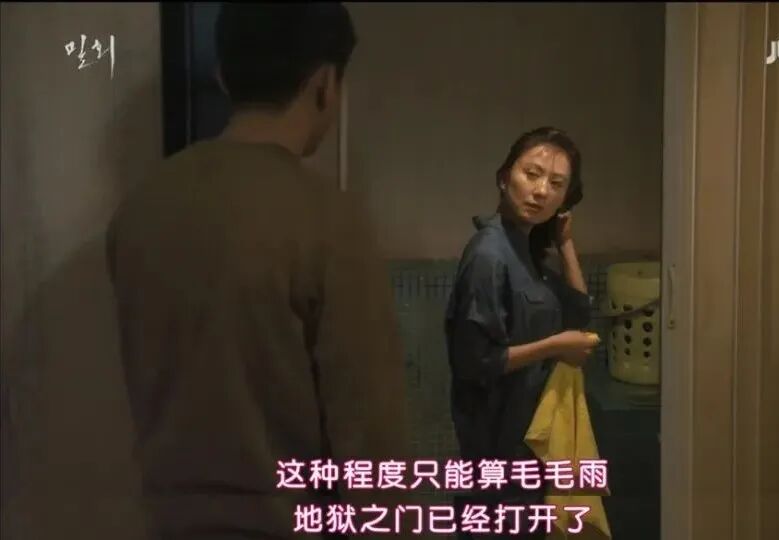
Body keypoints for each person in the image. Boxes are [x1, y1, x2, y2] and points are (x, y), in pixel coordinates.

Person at [106, 4, 407, 539]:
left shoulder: (140, 211)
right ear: (325, 84)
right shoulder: (330, 220)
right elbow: (372, 445)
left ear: (223, 76)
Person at [445, 127, 600, 539]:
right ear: (503, 177)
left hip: (528, 449)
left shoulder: (526, 252)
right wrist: (555, 347)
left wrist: (565, 243)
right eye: (531, 174)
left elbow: (579, 313)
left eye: (556, 184)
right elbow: (474, 362)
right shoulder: (489, 254)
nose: (541, 191)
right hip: (495, 455)